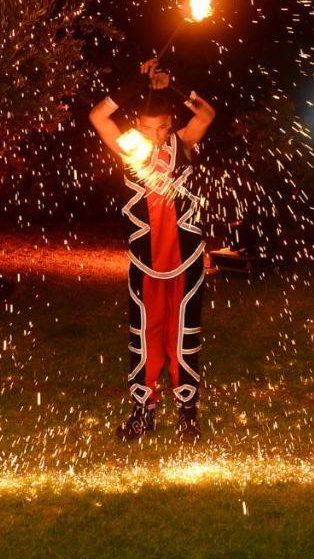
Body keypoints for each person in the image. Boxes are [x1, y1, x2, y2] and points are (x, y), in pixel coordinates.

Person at [89, 59, 216, 442]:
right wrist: (137, 80)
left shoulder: (183, 143)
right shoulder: (129, 148)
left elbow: (207, 114)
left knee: (183, 334)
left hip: (186, 260)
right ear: (136, 128)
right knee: (145, 335)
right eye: (148, 128)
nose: (157, 135)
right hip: (145, 262)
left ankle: (188, 412)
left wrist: (172, 86)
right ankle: (143, 411)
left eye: (163, 127)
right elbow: (98, 116)